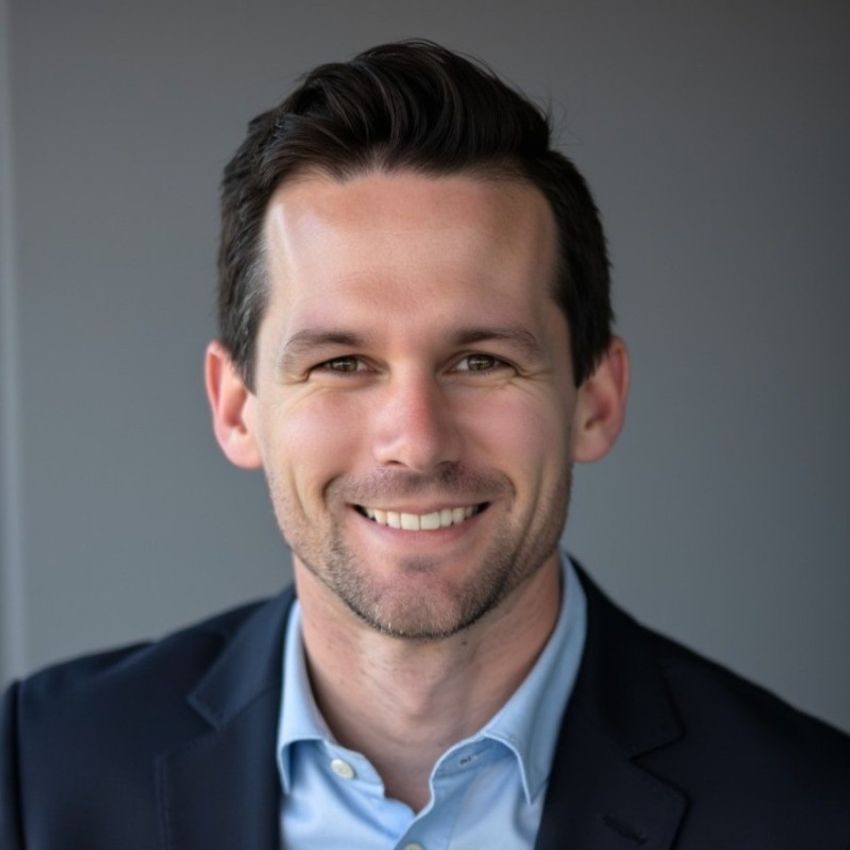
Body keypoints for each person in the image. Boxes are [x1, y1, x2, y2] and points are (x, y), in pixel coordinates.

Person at [1, 39, 848, 850]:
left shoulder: (814, 813)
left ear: (595, 399)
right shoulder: (33, 772)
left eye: (482, 360)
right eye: (341, 363)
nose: (415, 441)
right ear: (237, 409)